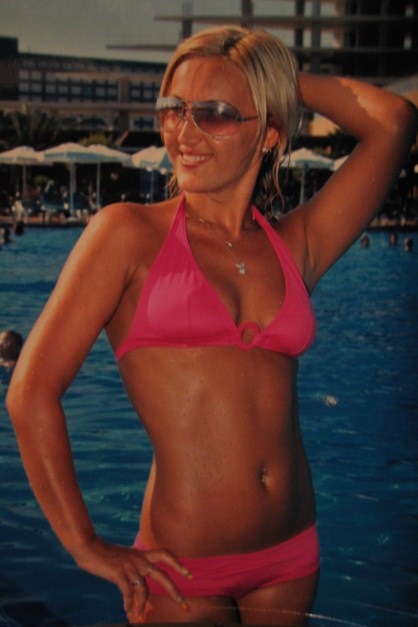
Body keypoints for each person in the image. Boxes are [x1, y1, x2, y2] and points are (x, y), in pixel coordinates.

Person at [6, 26, 417, 625]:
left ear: (269, 131)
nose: (183, 132)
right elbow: (31, 392)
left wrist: (270, 73)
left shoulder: (295, 244)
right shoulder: (127, 235)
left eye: (215, 113)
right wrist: (84, 543)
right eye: (173, 109)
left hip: (291, 556)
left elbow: (394, 121)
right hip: (181, 568)